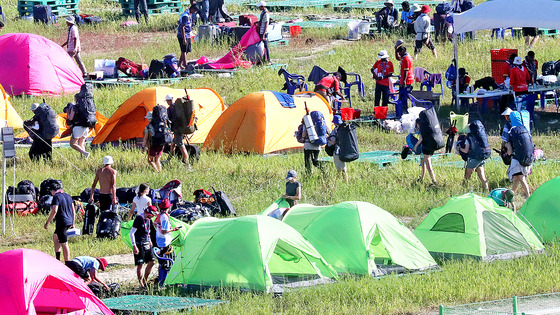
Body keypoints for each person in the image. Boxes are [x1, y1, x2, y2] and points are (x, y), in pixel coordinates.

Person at [43, 181, 75, 262]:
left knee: (64, 243)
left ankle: (67, 262)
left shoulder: (56, 197)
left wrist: (48, 222)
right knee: (55, 237)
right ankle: (57, 259)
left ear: (53, 190)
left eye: (51, 191)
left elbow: (54, 210)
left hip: (62, 222)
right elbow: (73, 210)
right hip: (69, 220)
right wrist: (73, 222)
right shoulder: (68, 196)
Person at [504, 111, 533, 198]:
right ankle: (512, 194)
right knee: (516, 177)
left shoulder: (512, 131)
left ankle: (528, 196)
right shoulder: (525, 130)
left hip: (517, 158)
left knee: (521, 177)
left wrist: (506, 148)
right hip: (528, 157)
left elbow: (509, 151)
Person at [130, 206, 157, 288]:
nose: (152, 217)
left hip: (147, 243)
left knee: (152, 261)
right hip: (139, 244)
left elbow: (148, 232)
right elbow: (132, 233)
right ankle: (141, 284)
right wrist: (134, 245)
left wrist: (150, 241)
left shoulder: (149, 220)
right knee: (140, 265)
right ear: (147, 212)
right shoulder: (138, 218)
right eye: (151, 215)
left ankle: (145, 280)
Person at [457, 124, 490, 191]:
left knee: (467, 176)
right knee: (483, 178)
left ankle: (464, 190)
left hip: (473, 159)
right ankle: (487, 191)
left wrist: (459, 148)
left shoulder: (469, 138)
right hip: (481, 157)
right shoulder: (479, 137)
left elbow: (466, 151)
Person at [165, 94, 190, 166]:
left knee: (182, 147)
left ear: (168, 101)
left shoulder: (170, 109)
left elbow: (169, 120)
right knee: (173, 144)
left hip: (177, 130)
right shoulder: (178, 107)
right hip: (181, 129)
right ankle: (168, 160)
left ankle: (187, 164)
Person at [327, 115, 349, 183]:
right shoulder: (344, 129)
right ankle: (345, 182)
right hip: (343, 151)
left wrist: (327, 139)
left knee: (340, 170)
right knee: (343, 168)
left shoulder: (336, 130)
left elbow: (333, 142)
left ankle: (336, 183)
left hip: (337, 152)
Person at [397, 45, 414, 117]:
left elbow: (406, 70)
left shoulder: (407, 58)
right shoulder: (404, 57)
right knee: (402, 95)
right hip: (403, 78)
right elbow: (397, 58)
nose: (399, 55)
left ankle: (405, 110)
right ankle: (403, 109)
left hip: (407, 79)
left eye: (400, 53)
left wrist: (404, 81)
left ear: (403, 51)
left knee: (404, 96)